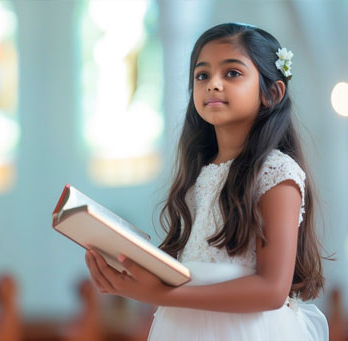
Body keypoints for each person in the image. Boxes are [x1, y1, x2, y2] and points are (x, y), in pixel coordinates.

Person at [84, 23, 329, 340]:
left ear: (272, 92)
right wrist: (130, 271)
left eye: (232, 73)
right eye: (202, 75)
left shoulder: (276, 171)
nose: (213, 84)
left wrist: (159, 296)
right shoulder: (199, 174)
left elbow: (271, 290)